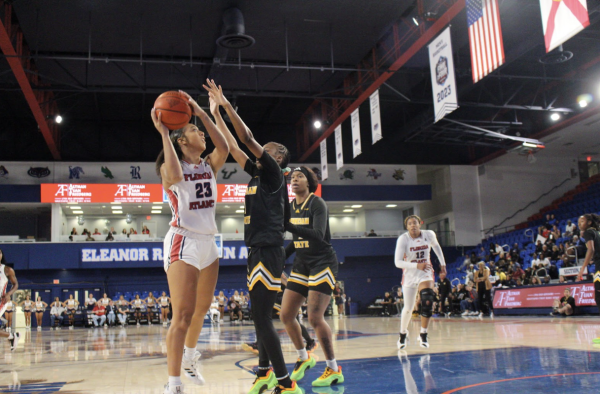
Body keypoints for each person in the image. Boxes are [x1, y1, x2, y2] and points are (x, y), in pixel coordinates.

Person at [204, 79, 299, 394]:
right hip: (257, 249)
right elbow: (232, 146)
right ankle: (262, 373)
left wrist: (227, 103)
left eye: (266, 151)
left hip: (268, 249)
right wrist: (216, 113)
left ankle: (285, 383)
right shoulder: (257, 174)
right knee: (258, 318)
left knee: (260, 318)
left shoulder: (272, 173)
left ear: (277, 158)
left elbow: (245, 137)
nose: (260, 152)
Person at [152, 85, 229, 394]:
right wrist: (164, 133)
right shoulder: (169, 167)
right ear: (182, 140)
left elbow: (223, 145)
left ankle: (189, 357)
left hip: (209, 242)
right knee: (181, 314)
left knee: (202, 308)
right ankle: (173, 384)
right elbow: (173, 172)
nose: (204, 136)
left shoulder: (208, 164)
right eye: (197, 132)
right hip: (182, 241)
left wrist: (201, 113)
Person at [280, 166, 344, 389]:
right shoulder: (290, 207)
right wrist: (281, 257)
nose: (295, 180)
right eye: (293, 178)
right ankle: (303, 356)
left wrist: (289, 225)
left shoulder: (317, 203)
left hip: (322, 262)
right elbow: (296, 240)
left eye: (300, 177)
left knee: (315, 318)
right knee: (286, 314)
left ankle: (334, 369)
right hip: (302, 263)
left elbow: (317, 235)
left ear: (309, 182)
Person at [395, 215, 447, 349]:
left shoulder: (429, 235)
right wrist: (416, 265)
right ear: (407, 227)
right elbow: (398, 262)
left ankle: (423, 333)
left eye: (415, 223)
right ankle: (403, 333)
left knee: (428, 300)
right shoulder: (403, 239)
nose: (413, 225)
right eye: (410, 224)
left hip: (426, 273)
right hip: (410, 274)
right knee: (408, 308)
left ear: (420, 224)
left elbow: (437, 247)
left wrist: (442, 264)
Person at [577, 214, 600, 344]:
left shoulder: (588, 232)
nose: (580, 223)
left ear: (589, 222)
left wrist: (582, 268)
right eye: (578, 222)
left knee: (598, 297)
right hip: (598, 267)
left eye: (582, 221)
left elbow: (590, 249)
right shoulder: (597, 232)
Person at [0, 250, 20, 350]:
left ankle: (12, 336)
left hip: (1, 300)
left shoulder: (7, 270)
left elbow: (15, 284)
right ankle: (12, 336)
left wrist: (9, 294)